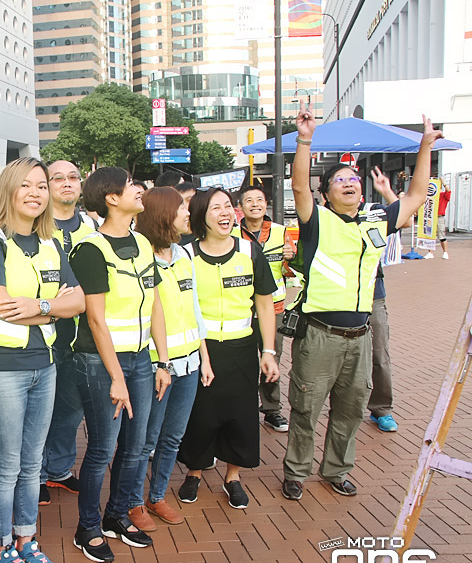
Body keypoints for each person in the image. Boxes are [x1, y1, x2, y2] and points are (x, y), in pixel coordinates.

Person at [281, 106, 441, 501]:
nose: (349, 184)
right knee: (306, 407)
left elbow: (418, 195)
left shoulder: (375, 222)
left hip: (360, 335)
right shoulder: (316, 220)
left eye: (353, 179)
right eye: (339, 181)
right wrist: (305, 139)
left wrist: (424, 148)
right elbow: (300, 187)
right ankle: (296, 472)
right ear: (327, 193)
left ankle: (336, 469)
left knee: (351, 409)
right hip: (319, 336)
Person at [0, 157, 84, 563]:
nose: (35, 193)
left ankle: (26, 540)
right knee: (8, 464)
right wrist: (53, 310)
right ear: (9, 190)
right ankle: (0, 550)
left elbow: (79, 302)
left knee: (32, 464)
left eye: (41, 186)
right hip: (3, 369)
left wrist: (40, 308)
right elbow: (0, 306)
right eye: (26, 186)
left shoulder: (52, 243)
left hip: (45, 366)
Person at [68, 167, 171, 563]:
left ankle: (116, 515)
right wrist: (116, 377)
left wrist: (161, 360)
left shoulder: (143, 242)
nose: (139, 190)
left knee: (136, 446)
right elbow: (95, 319)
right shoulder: (91, 248)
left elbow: (155, 305)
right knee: (102, 447)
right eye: (131, 185)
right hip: (99, 362)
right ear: (111, 198)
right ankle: (88, 526)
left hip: (141, 359)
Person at [176, 187, 279, 510]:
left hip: (242, 348)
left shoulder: (249, 252)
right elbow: (183, 307)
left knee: (240, 415)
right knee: (201, 415)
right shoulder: (186, 255)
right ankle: (194, 472)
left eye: (228, 207)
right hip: (201, 349)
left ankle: (232, 477)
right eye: (215, 209)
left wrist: (269, 351)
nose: (225, 214)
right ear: (200, 217)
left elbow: (264, 305)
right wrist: (201, 353)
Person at [131, 187, 213, 528]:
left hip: (190, 364)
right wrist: (162, 363)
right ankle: (134, 501)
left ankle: (157, 496)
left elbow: (195, 310)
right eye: (182, 208)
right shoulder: (140, 256)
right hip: (156, 366)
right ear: (164, 213)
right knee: (145, 438)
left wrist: (204, 358)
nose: (187, 213)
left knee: (172, 437)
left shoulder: (183, 254)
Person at [39, 160, 96, 506]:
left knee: (71, 410)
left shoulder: (92, 225)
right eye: (57, 178)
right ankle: (37, 474)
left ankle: (58, 470)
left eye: (72, 177)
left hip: (84, 334)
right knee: (42, 409)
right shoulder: (35, 227)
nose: (66, 184)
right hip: (46, 332)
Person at [232, 183, 295, 433]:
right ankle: (242, 407)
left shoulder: (281, 232)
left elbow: (295, 269)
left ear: (266, 203)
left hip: (274, 309)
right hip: (243, 310)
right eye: (249, 201)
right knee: (243, 361)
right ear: (241, 207)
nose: (255, 204)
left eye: (259, 199)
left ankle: (271, 409)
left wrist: (292, 257)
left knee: (272, 357)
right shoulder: (233, 235)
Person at [366, 167, 399, 433]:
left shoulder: (372, 214)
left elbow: (406, 218)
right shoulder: (326, 219)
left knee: (380, 354)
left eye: (352, 180)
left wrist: (386, 191)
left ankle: (382, 409)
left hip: (373, 296)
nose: (348, 186)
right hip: (338, 302)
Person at [425, 177, 451, 259]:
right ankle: (430, 253)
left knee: (441, 235)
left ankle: (445, 252)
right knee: (430, 235)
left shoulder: (443, 195)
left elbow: (448, 191)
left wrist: (444, 182)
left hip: (439, 217)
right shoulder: (430, 196)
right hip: (431, 217)